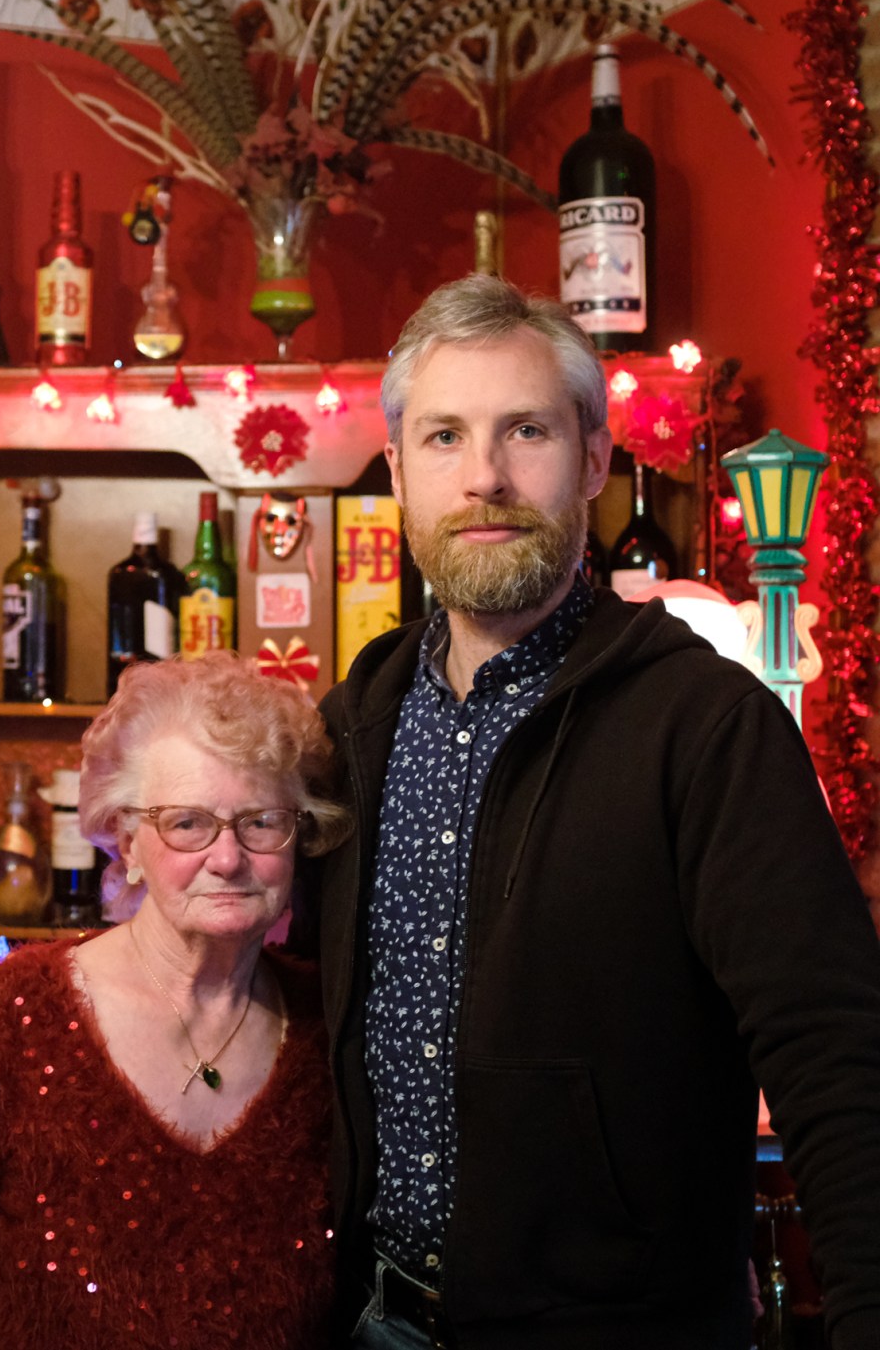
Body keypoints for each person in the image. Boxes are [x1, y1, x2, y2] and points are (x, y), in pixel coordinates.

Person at [305, 274, 880, 1350]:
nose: (483, 476)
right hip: (377, 1319)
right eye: (443, 437)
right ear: (397, 473)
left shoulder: (706, 725)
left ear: (596, 460)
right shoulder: (355, 721)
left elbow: (834, 1050)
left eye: (525, 429)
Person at [0, 652, 348, 1350]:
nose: (229, 857)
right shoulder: (13, 1015)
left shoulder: (326, 1029)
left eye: (262, 821)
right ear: (126, 840)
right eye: (188, 823)